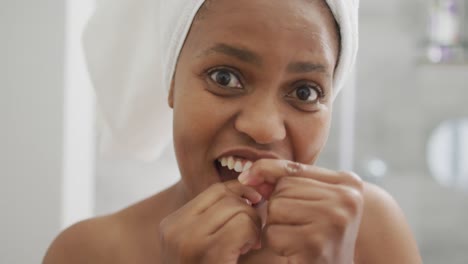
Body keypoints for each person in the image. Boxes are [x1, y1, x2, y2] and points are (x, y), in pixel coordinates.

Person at [43, 0, 422, 263]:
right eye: (225, 77)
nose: (263, 128)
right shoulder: (88, 253)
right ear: (171, 82)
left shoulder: (367, 228)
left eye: (305, 91)